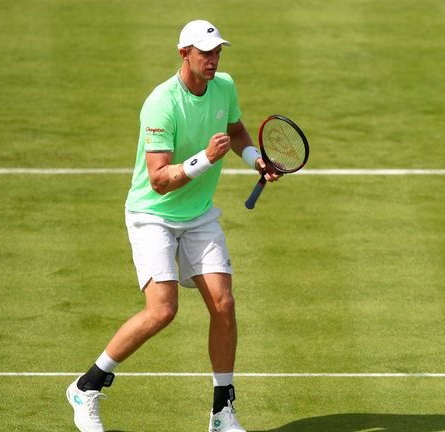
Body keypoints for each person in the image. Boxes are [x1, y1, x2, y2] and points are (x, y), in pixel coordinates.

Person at [66, 19, 280, 432]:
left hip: (198, 214)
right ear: (184, 54)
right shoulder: (161, 103)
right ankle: (86, 387)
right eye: (205, 53)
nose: (213, 60)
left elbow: (235, 130)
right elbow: (160, 180)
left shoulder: (224, 86)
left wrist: (254, 156)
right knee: (162, 311)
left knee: (224, 303)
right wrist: (205, 158)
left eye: (217, 52)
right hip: (153, 216)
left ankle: (222, 414)